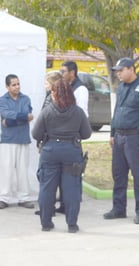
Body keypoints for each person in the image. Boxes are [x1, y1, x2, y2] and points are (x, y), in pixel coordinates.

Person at [103, 57, 139, 224]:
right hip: (119, 137)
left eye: (121, 70)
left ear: (131, 69)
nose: (118, 74)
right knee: (118, 174)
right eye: (117, 71)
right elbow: (117, 111)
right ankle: (118, 208)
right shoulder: (121, 88)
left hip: (135, 137)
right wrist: (112, 134)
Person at [32, 79, 91, 233]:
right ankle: (72, 224)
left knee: (47, 188)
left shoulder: (47, 111)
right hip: (71, 151)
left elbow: (36, 134)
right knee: (71, 189)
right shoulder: (78, 112)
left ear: (54, 93)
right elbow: (86, 133)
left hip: (50, 151)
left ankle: (46, 223)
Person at [0, 74, 35, 210]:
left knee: (23, 170)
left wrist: (10, 121)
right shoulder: (2, 100)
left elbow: (24, 115)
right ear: (7, 86)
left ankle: (24, 198)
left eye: (18, 84)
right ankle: (4, 198)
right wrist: (22, 117)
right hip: (8, 140)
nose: (17, 87)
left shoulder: (25, 99)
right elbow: (6, 114)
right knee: (6, 169)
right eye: (13, 85)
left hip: (23, 139)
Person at [58, 61, 89, 214]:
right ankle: (64, 202)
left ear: (72, 72)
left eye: (63, 71)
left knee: (73, 172)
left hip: (73, 135)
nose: (61, 74)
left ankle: (72, 202)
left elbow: (81, 113)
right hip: (64, 134)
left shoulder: (80, 89)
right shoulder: (66, 87)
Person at [34, 71, 63, 216]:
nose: (44, 85)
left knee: (48, 177)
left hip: (52, 142)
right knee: (44, 176)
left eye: (46, 83)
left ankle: (49, 208)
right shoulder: (48, 97)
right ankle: (47, 206)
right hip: (45, 140)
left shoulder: (57, 100)